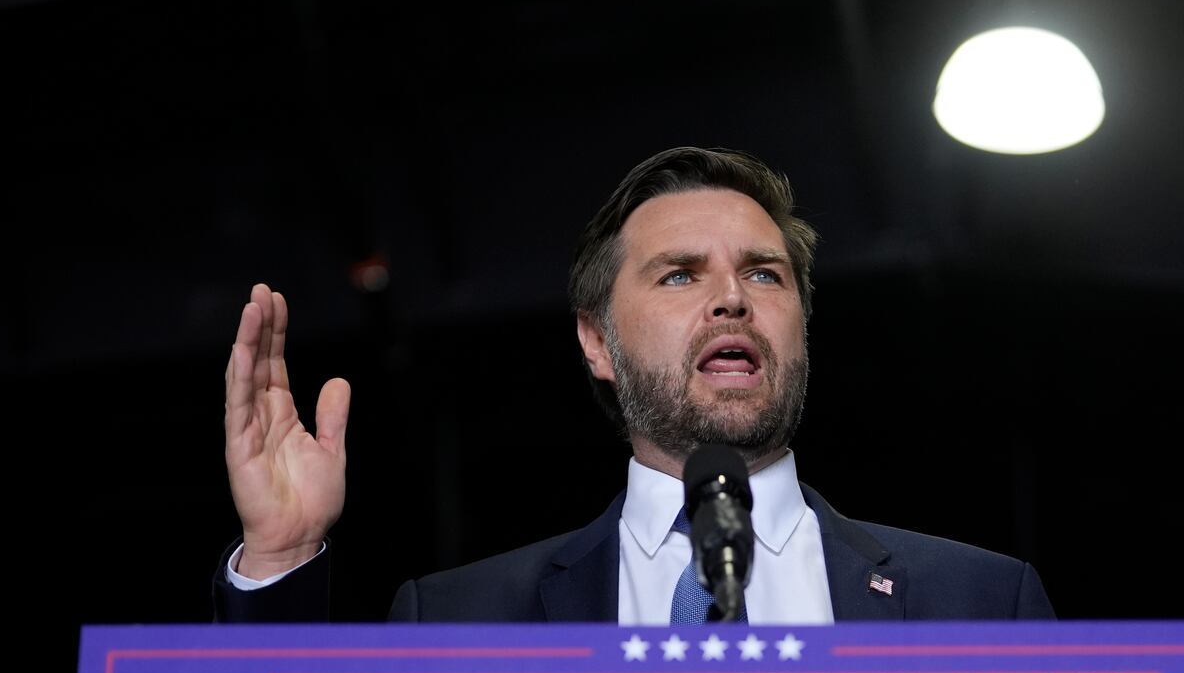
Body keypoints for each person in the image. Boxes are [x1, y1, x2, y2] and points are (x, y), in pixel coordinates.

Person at [214, 147, 1053, 624]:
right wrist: (281, 559)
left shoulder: (978, 601)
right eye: (680, 277)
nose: (732, 296)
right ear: (597, 343)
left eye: (764, 274)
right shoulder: (463, 619)